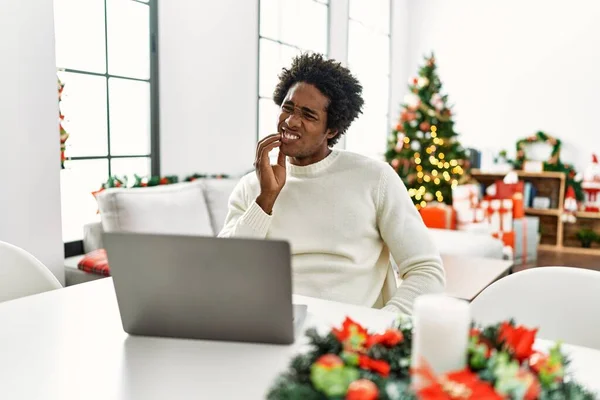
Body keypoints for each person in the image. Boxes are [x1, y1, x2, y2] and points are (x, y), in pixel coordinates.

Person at [219, 53, 444, 314]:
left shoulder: (374, 178)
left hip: (348, 336)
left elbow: (427, 271)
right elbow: (224, 270)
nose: (291, 121)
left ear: (332, 130)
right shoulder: (252, 187)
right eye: (288, 108)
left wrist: (380, 328)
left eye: (308, 115)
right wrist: (266, 198)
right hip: (271, 324)